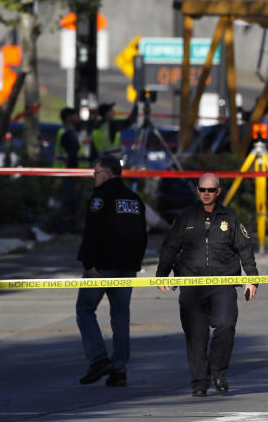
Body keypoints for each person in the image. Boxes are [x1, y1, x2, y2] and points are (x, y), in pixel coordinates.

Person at [156, 173, 259, 398]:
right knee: (196, 335)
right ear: (197, 190)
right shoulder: (185, 217)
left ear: (218, 192)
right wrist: (162, 274)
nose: (206, 194)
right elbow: (169, 247)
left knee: (225, 325)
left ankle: (219, 372)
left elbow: (245, 248)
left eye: (210, 190)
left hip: (223, 283)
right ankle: (200, 382)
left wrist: (252, 277)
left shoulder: (230, 218)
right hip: (191, 284)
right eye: (202, 190)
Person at [76, 154, 148, 388]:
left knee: (85, 309)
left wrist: (88, 263)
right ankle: (119, 371)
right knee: (120, 318)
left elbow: (93, 232)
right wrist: (135, 263)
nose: (93, 177)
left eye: (95, 173)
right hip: (127, 268)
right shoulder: (134, 199)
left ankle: (98, 359)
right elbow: (142, 235)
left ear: (107, 172)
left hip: (101, 267)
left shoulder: (101, 198)